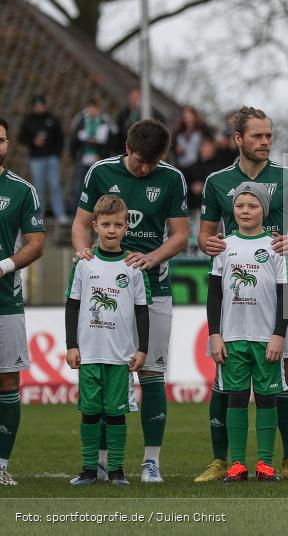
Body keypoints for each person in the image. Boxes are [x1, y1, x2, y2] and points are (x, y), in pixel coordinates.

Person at [196, 106, 288, 482]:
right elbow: (204, 235)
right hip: (234, 292)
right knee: (225, 376)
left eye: (269, 135)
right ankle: (222, 460)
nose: (266, 142)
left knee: (287, 370)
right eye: (258, 136)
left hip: (278, 287)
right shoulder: (217, 181)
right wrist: (213, 246)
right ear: (238, 139)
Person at [72, 119, 189, 483]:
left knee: (152, 373)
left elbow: (181, 235)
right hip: (104, 291)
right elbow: (80, 223)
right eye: (141, 161)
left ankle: (151, 461)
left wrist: (151, 258)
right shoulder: (100, 172)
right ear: (127, 148)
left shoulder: (172, 178)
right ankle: (103, 461)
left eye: (153, 162)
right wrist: (83, 253)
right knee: (106, 373)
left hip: (153, 288)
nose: (146, 168)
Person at [207, 182, 288, 482]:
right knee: (236, 399)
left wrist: (279, 334)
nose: (245, 210)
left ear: (264, 211)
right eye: (240, 205)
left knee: (268, 399)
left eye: (252, 205)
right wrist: (214, 334)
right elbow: (214, 294)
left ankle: (265, 465)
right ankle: (237, 464)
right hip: (232, 338)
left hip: (266, 338)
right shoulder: (223, 246)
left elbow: (284, 294)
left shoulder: (276, 246)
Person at [65, 195, 150, 486]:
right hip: (88, 353)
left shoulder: (133, 267)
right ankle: (89, 469)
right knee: (89, 412)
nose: (111, 230)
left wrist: (142, 349)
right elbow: (73, 306)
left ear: (127, 227)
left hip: (120, 356)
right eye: (105, 224)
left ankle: (116, 470)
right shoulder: (84, 264)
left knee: (116, 414)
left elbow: (142, 311)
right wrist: (71, 345)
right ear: (95, 226)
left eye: (117, 224)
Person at [0, 115, 47, 487]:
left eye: (0, 139)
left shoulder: (21, 190)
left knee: (8, 380)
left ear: (7, 143)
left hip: (5, 302)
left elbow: (36, 243)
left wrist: (4, 265)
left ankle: (0, 465)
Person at [19, 95, 67, 221]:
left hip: (51, 157)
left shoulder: (52, 119)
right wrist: (33, 142)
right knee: (38, 187)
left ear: (45, 105)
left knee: (55, 185)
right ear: (34, 106)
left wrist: (56, 153)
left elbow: (60, 137)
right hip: (36, 158)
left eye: (41, 105)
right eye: (37, 105)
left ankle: (60, 213)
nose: (39, 108)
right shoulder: (28, 120)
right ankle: (40, 214)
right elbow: (22, 137)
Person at [69, 99, 116, 214]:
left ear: (98, 109)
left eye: (94, 109)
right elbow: (73, 138)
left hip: (98, 160)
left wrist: (103, 155)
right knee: (79, 188)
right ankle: (76, 214)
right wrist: (75, 155)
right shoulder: (80, 120)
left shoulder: (105, 121)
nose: (92, 111)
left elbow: (112, 139)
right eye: (90, 109)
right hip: (83, 160)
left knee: (101, 188)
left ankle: (102, 212)